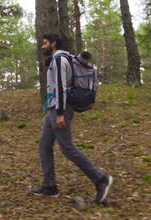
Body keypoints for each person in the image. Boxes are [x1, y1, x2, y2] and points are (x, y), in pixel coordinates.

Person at [29, 32, 113, 204]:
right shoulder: (62, 59)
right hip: (54, 108)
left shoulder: (60, 60)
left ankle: (100, 179)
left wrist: (60, 113)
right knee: (44, 145)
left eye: (45, 43)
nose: (42, 46)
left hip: (60, 109)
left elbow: (60, 87)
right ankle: (49, 186)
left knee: (67, 148)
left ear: (53, 44)